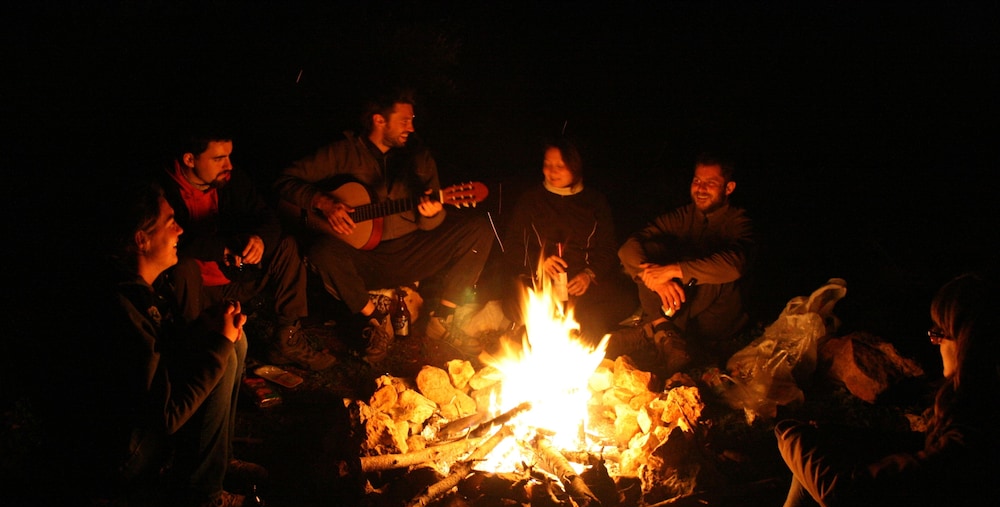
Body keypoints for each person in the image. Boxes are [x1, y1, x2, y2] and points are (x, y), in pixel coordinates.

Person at [733, 272, 1000, 507]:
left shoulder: (976, 434)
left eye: (940, 333)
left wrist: (788, 433)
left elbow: (847, 495)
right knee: (817, 458)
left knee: (814, 467)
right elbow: (919, 451)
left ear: (970, 340)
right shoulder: (974, 404)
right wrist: (836, 437)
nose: (933, 341)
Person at [274, 89, 494, 362]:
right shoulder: (343, 152)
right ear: (379, 121)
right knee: (321, 252)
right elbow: (285, 180)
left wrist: (431, 213)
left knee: (478, 231)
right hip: (364, 259)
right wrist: (323, 202)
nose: (411, 127)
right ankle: (377, 321)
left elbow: (431, 224)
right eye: (403, 121)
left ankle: (443, 318)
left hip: (410, 250)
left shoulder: (418, 157)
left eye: (412, 120)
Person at [90, 182, 267, 507]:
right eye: (170, 221)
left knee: (233, 342)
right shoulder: (122, 310)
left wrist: (208, 328)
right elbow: (167, 417)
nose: (181, 229)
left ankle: (220, 459)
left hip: (144, 425)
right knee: (223, 353)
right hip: (124, 454)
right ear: (141, 239)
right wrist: (217, 344)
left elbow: (168, 356)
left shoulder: (143, 287)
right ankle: (201, 495)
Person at [160, 129, 335, 371]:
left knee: (286, 245)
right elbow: (173, 239)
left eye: (229, 156)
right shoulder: (163, 190)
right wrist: (222, 248)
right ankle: (195, 351)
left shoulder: (229, 179)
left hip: (235, 275)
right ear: (190, 160)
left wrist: (260, 240)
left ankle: (288, 337)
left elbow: (267, 217)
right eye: (219, 158)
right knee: (183, 265)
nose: (228, 165)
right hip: (194, 288)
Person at [609, 153, 754, 374]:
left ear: (729, 188)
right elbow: (628, 248)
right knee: (648, 256)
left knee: (711, 263)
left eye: (710, 183)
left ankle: (652, 330)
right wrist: (657, 281)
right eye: (697, 181)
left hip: (716, 318)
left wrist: (672, 270)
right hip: (679, 306)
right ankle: (664, 333)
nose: (701, 188)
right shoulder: (683, 216)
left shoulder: (739, 221)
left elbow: (735, 265)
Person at [501, 137, 636, 346]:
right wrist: (540, 262)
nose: (551, 171)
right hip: (541, 284)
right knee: (514, 305)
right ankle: (542, 333)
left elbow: (608, 248)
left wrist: (589, 275)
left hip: (582, 288)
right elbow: (512, 245)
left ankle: (588, 338)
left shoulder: (595, 202)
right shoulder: (531, 200)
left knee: (625, 300)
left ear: (575, 165)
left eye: (560, 166)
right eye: (547, 165)